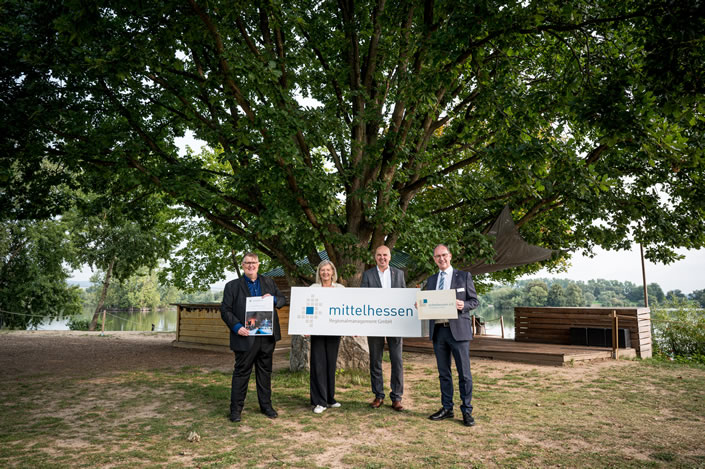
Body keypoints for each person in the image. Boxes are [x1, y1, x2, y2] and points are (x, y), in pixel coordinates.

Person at [220, 252, 287, 423]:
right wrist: (237, 327)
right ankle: (235, 410)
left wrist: (273, 300)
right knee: (242, 373)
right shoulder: (232, 286)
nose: (251, 265)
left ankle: (266, 406)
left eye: (254, 263)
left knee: (265, 373)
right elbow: (225, 310)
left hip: (266, 336)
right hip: (245, 336)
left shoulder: (269, 282)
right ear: (243, 265)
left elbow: (282, 299)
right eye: (247, 263)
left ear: (258, 264)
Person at [423, 244, 479, 427]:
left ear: (450, 255)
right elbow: (426, 302)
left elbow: (474, 301)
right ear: (434, 259)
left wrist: (463, 305)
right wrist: (420, 305)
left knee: (464, 373)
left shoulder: (463, 276)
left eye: (444, 255)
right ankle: (447, 408)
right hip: (439, 331)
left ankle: (467, 411)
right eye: (437, 256)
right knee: (443, 373)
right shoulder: (431, 281)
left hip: (459, 332)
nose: (441, 259)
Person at [360, 245, 406, 411]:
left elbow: (404, 298)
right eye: (379, 255)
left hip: (395, 323)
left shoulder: (399, 274)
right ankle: (378, 395)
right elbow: (363, 298)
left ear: (390, 257)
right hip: (375, 323)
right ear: (375, 257)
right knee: (375, 361)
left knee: (397, 360)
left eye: (385, 255)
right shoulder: (368, 275)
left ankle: (397, 397)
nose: (382, 258)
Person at [308, 260, 345, 414]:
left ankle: (330, 399)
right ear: (319, 273)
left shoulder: (340, 289)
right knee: (318, 364)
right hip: (317, 332)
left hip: (333, 331)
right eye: (322, 270)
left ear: (333, 272)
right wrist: (306, 326)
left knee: (330, 364)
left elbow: (346, 308)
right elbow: (308, 307)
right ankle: (319, 401)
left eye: (328, 270)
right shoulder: (313, 288)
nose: (325, 273)